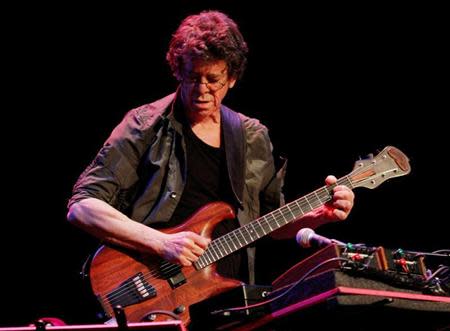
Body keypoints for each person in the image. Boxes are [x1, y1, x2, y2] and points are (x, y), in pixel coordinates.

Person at [67, 9, 354, 298]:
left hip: (231, 297)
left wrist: (317, 216)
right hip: (154, 293)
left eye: (213, 79)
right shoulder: (144, 125)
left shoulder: (252, 136)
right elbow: (83, 207)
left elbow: (269, 225)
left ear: (231, 78)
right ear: (179, 70)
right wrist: (161, 243)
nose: (202, 90)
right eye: (193, 77)